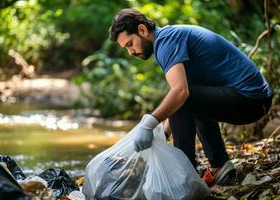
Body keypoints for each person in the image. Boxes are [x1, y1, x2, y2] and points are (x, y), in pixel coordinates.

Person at [109, 8, 273, 186]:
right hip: (254, 100)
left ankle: (183, 175)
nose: (131, 52)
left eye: (130, 44)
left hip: (251, 99)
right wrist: (162, 134)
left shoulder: (166, 41)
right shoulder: (169, 39)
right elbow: (183, 95)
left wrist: (148, 124)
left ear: (142, 30)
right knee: (186, 97)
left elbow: (181, 93)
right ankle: (219, 165)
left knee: (184, 96)